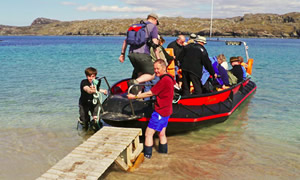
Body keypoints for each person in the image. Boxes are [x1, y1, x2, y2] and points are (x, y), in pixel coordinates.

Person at [127, 59, 175, 159]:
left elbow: (150, 93)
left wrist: (134, 97)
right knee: (162, 133)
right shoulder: (169, 77)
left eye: (158, 68)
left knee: (148, 134)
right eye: (154, 69)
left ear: (164, 68)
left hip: (160, 111)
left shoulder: (164, 80)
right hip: (167, 110)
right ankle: (163, 156)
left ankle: (147, 157)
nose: (156, 71)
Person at [119, 13, 160, 93]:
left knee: (141, 75)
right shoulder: (153, 27)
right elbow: (155, 44)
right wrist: (158, 59)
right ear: (155, 20)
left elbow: (125, 41)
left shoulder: (136, 26)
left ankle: (137, 97)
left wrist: (122, 54)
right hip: (143, 55)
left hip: (131, 55)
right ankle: (135, 82)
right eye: (156, 23)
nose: (156, 24)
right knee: (152, 74)